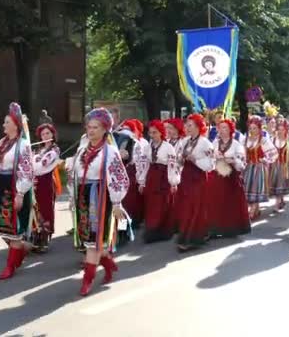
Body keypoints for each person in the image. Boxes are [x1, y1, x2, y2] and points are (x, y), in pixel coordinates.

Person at [69, 108, 129, 296]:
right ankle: (109, 265)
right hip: (83, 196)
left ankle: (87, 281)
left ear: (105, 129)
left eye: (95, 127)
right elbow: (74, 175)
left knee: (94, 242)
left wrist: (117, 203)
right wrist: (73, 196)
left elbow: (119, 177)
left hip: (100, 197)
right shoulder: (81, 150)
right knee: (90, 239)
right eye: (89, 127)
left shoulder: (110, 151)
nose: (91, 130)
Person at [0, 102, 35, 280]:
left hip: (14, 188)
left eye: (7, 122)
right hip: (2, 188)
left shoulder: (23, 145)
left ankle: (10, 265)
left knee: (14, 229)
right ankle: (22, 251)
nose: (4, 125)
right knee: (6, 229)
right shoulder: (2, 143)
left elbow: (26, 170)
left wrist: (21, 193)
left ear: (16, 125)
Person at [173, 114, 215, 252]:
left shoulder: (205, 143)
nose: (187, 128)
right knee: (186, 206)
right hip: (186, 177)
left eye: (190, 125)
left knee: (195, 206)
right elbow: (179, 158)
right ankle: (186, 234)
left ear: (198, 127)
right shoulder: (184, 141)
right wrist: (180, 160)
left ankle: (194, 237)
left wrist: (195, 160)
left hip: (198, 177)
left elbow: (211, 164)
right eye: (186, 125)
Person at [137, 120, 180, 243]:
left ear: (161, 133)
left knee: (163, 204)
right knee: (151, 204)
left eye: (155, 132)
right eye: (150, 133)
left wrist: (173, 182)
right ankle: (151, 229)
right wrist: (142, 181)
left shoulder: (168, 147)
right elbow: (144, 165)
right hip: (151, 177)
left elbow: (172, 166)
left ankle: (162, 230)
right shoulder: (147, 147)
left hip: (163, 178)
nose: (152, 135)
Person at [207, 119, 250, 238]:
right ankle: (215, 228)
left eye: (224, 128)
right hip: (217, 176)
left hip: (231, 177)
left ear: (230, 129)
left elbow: (241, 162)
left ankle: (230, 228)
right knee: (215, 201)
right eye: (220, 128)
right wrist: (215, 157)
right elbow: (210, 157)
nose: (221, 130)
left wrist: (232, 160)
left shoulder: (236, 144)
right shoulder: (215, 143)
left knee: (230, 202)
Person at [31, 123, 61, 252]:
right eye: (43, 134)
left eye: (48, 133)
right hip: (35, 183)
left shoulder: (54, 150)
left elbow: (42, 165)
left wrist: (33, 162)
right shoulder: (38, 150)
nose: (45, 136)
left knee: (46, 209)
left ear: (53, 134)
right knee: (35, 209)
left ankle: (44, 238)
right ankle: (36, 237)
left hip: (46, 182)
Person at [243, 115, 277, 220]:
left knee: (256, 188)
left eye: (255, 128)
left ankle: (252, 211)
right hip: (248, 167)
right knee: (248, 188)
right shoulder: (245, 140)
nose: (252, 130)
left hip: (259, 168)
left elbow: (274, 153)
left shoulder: (263, 140)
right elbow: (242, 153)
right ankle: (255, 209)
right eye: (251, 128)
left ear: (259, 128)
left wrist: (266, 160)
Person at [269, 118, 289, 212]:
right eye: (278, 129)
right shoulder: (272, 139)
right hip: (274, 165)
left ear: (286, 130)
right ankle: (280, 200)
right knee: (276, 184)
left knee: (281, 183)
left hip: (284, 166)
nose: (280, 131)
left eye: (282, 129)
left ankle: (277, 203)